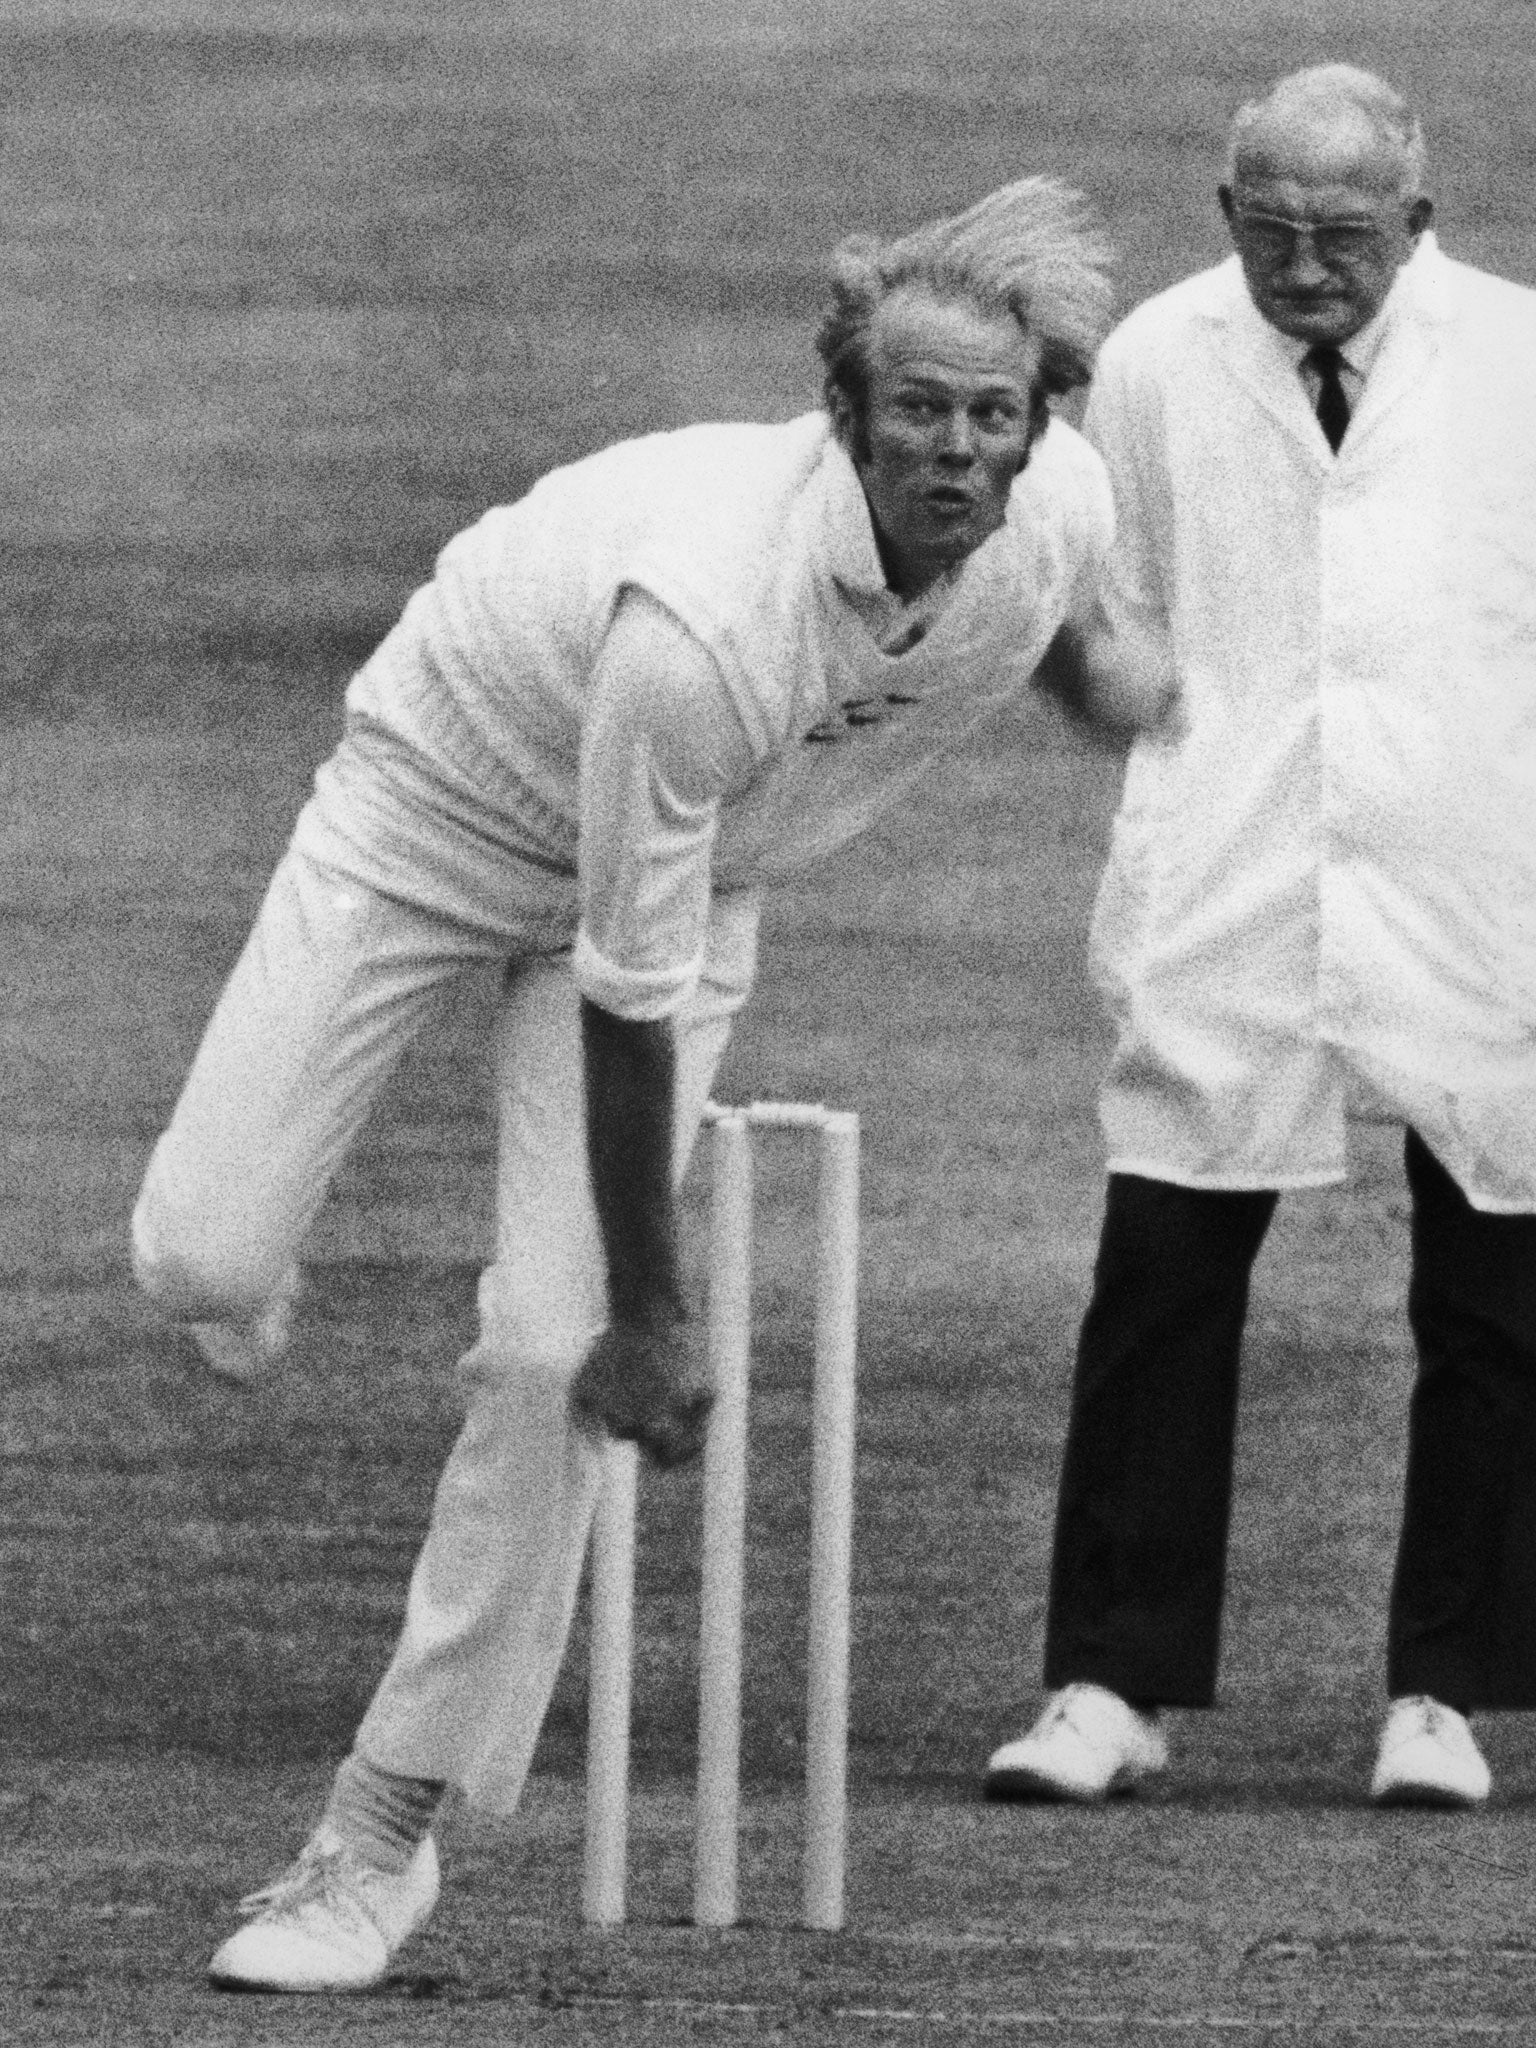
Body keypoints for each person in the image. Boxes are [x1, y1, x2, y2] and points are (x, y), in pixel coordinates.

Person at [132, 176, 1162, 1993]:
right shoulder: (704, 624)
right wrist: (660, 1316)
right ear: (839, 415)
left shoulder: (1054, 501)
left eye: (990, 415)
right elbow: (628, 994)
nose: (954, 447)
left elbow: (1070, 612)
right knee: (205, 1264)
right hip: (438, 805)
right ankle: (246, 1255)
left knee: (542, 1360)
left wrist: (1112, 681)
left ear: (1037, 427)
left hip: (697, 876)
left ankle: (374, 1841)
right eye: (913, 409)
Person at [983, 64, 1536, 1815]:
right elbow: (1084, 592)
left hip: (1479, 877)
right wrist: (1102, 676)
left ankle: (1447, 1692)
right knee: (1162, 1273)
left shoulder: (1521, 362)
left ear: (1419, 224)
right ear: (1226, 211)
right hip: (1232, 868)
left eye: (1346, 235)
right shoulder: (1153, 357)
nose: (1305, 264)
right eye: (1272, 228)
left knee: (1496, 1291)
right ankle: (1106, 1679)